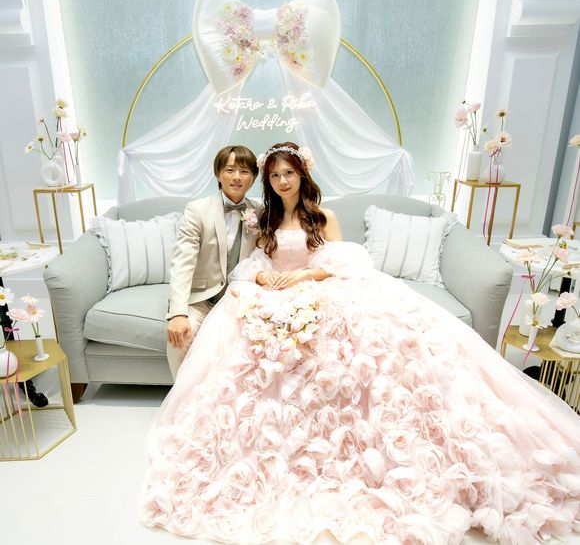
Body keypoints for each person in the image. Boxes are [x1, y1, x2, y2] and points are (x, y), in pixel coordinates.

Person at [143, 142, 580, 544]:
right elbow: (255, 260)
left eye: (288, 173)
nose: (281, 181)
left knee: (356, 347)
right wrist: (263, 277)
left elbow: (344, 261)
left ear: (302, 174)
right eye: (274, 175)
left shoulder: (322, 216)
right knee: (253, 343)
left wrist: (305, 275)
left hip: (320, 290)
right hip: (276, 294)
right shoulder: (265, 218)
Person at [165, 145, 259, 380]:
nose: (237, 177)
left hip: (239, 301)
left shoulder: (260, 212)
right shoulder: (198, 210)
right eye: (230, 170)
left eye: (244, 171)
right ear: (218, 173)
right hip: (202, 300)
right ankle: (183, 399)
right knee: (179, 340)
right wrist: (178, 313)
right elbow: (182, 262)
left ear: (254, 177)